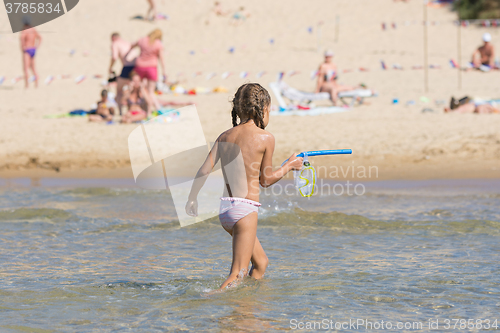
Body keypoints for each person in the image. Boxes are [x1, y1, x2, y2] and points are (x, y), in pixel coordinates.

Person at [185, 83, 303, 290]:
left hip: (226, 210)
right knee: (237, 273)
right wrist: (289, 166)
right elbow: (265, 181)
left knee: (261, 263)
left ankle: (244, 309)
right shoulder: (266, 138)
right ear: (263, 109)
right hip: (245, 209)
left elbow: (204, 170)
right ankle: (208, 300)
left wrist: (192, 198)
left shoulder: (225, 136)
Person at [129, 29, 166, 115]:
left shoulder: (142, 40)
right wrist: (164, 72)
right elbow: (162, 59)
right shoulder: (158, 43)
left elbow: (131, 45)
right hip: (151, 68)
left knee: (140, 88)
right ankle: (156, 108)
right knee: (150, 91)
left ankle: (143, 108)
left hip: (140, 66)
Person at [109, 32, 138, 115]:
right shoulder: (126, 42)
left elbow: (114, 57)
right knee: (133, 89)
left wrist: (110, 67)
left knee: (119, 91)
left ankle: (121, 112)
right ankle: (131, 110)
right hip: (136, 66)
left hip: (127, 66)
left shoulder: (115, 43)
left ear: (113, 38)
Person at [20, 17, 41, 88]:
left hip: (27, 50)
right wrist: (37, 46)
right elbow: (40, 37)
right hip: (33, 49)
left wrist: (23, 48)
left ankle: (27, 85)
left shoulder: (24, 31)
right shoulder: (33, 29)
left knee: (26, 68)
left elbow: (22, 40)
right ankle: (37, 84)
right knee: (33, 68)